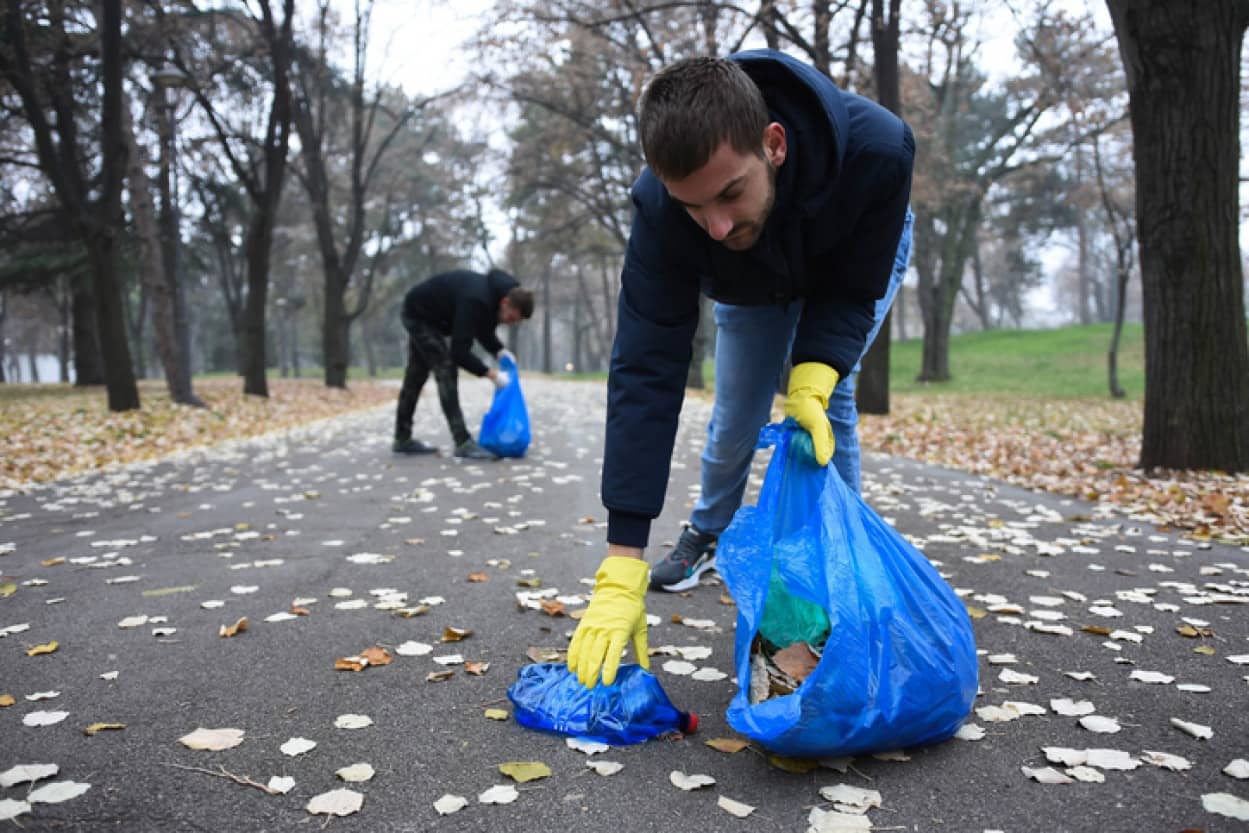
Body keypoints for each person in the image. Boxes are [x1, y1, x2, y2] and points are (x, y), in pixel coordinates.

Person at [566, 50, 915, 689]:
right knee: (737, 414)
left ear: (774, 144)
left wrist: (813, 372)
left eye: (729, 192)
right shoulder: (666, 214)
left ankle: (832, 599)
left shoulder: (878, 152)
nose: (717, 223)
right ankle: (706, 531)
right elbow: (647, 369)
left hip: (843, 254)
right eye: (695, 207)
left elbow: (848, 291)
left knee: (821, 408)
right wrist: (622, 562)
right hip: (748, 280)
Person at [392, 268, 534, 460]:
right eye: (510, 318)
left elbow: (483, 328)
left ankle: (402, 438)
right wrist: (490, 374)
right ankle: (462, 442)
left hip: (433, 318)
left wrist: (499, 351)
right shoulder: (476, 300)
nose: (509, 323)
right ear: (505, 302)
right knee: (446, 368)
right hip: (418, 314)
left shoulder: (498, 296)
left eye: (514, 321)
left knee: (416, 375)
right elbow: (459, 352)